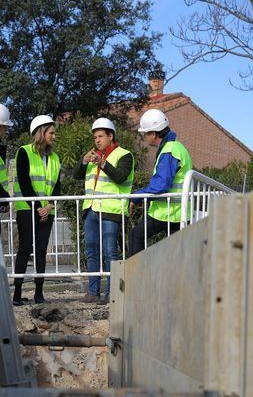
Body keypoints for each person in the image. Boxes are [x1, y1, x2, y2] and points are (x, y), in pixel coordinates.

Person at [73, 118, 134, 304]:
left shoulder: (125, 155)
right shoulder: (93, 156)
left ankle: (111, 293)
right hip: (91, 208)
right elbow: (76, 176)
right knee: (91, 251)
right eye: (95, 137)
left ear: (110, 136)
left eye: (100, 136)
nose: (97, 140)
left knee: (110, 253)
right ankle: (93, 292)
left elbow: (121, 177)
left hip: (110, 210)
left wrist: (103, 163)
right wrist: (83, 162)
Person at [12, 115, 61, 306]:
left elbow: (57, 186)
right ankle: (17, 293)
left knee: (41, 252)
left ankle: (39, 293)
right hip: (27, 210)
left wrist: (49, 206)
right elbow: (24, 183)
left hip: (47, 211)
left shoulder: (55, 158)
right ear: (41, 133)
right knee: (24, 250)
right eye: (51, 132)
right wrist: (39, 207)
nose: (54, 136)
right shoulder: (24, 152)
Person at [129, 108, 192, 255]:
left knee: (136, 236)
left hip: (167, 212)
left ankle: (136, 276)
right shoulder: (178, 147)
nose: (144, 137)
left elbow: (161, 185)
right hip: (179, 211)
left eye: (145, 133)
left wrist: (136, 197)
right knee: (175, 254)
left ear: (154, 133)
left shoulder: (169, 150)